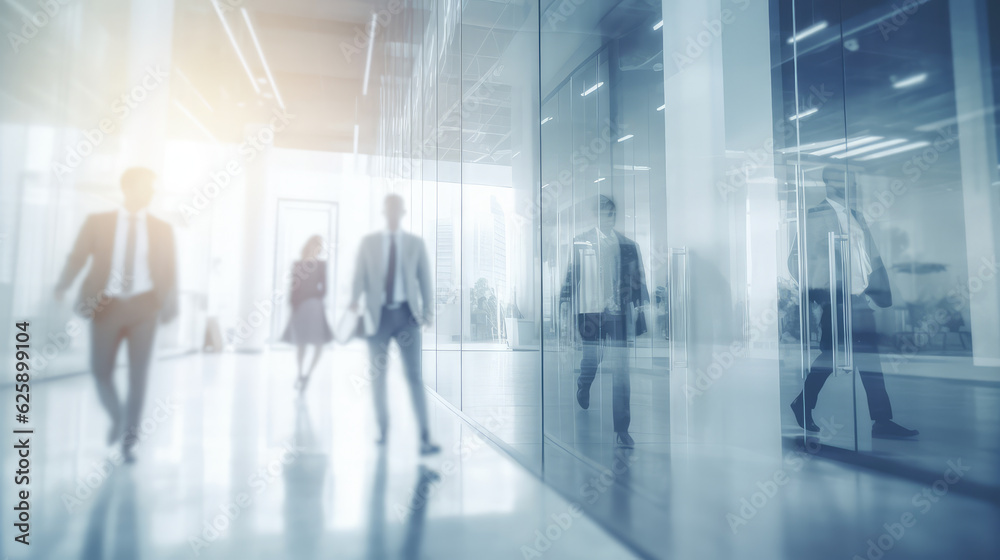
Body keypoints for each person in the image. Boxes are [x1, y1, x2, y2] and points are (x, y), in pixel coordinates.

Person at [54, 167, 177, 462]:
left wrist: (170, 305)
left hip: (144, 307)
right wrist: (63, 285)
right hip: (105, 305)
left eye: (153, 188)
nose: (151, 193)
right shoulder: (98, 223)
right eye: (147, 186)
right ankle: (119, 417)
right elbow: (78, 256)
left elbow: (170, 271)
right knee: (100, 371)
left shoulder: (162, 229)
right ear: (129, 188)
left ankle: (128, 440)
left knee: (139, 376)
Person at [788, 165, 918, 440]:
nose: (851, 184)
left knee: (870, 361)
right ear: (828, 182)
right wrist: (821, 293)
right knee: (831, 356)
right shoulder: (814, 216)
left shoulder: (856, 216)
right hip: (836, 301)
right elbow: (795, 260)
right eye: (844, 180)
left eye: (852, 180)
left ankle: (882, 421)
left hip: (860, 300)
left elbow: (870, 257)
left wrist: (877, 292)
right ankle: (803, 403)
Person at [350, 194, 440, 455]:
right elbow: (359, 275)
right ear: (383, 210)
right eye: (388, 208)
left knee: (414, 376)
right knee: (378, 376)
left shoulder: (415, 244)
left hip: (407, 316)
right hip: (377, 317)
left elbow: (425, 280)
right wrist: (354, 301)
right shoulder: (369, 244)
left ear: (403, 212)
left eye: (396, 208)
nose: (392, 212)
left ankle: (424, 438)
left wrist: (428, 312)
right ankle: (383, 431)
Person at [560, 195, 649, 448]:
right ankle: (583, 384)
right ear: (596, 217)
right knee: (592, 359)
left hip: (617, 313)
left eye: (611, 214)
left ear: (615, 216)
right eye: (602, 214)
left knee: (621, 370)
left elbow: (638, 281)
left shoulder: (628, 245)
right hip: (590, 312)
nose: (607, 218)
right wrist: (565, 301)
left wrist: (639, 312)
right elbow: (571, 274)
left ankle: (622, 428)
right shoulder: (581, 241)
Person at [281, 235, 334, 392]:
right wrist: (294, 307)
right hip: (301, 307)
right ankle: (300, 374)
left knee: (318, 344)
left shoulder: (321, 265)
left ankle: (308, 375)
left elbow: (324, 288)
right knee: (301, 343)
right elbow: (293, 289)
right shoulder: (297, 265)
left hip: (314, 307)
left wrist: (312, 298)